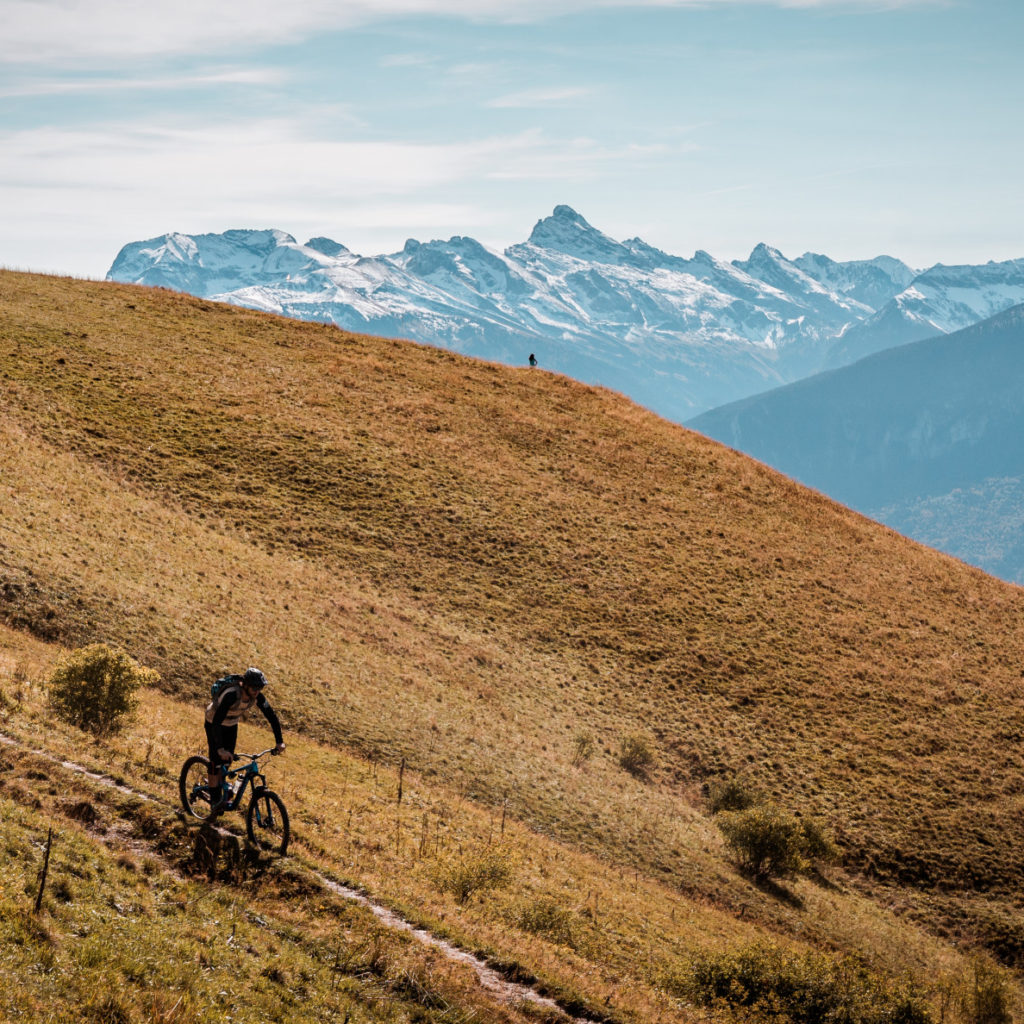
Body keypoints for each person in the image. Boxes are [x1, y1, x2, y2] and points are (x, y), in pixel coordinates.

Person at [204, 667, 285, 805]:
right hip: (214, 723)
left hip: (231, 724)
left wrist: (279, 742)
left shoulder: (257, 696)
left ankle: (219, 786)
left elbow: (271, 716)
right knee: (215, 762)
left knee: (227, 760)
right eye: (254, 688)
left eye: (260, 688)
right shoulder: (231, 695)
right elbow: (217, 721)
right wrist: (219, 748)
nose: (257, 691)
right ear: (245, 684)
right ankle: (214, 800)